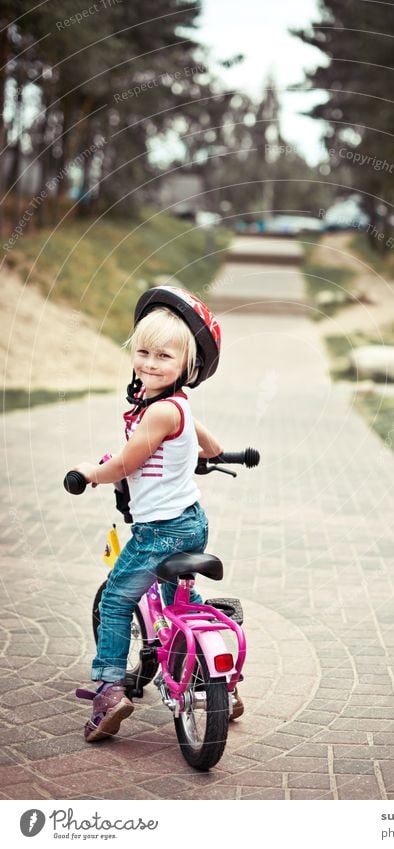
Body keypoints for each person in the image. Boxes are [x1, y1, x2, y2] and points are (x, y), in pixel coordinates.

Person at [74, 286, 241, 742]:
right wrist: (211, 454)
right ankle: (216, 678)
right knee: (176, 602)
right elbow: (209, 444)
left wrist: (91, 472)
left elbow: (126, 464)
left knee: (115, 600)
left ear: (185, 365)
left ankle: (109, 689)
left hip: (159, 533)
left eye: (163, 356)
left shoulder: (157, 414)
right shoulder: (179, 404)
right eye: (142, 352)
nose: (149, 363)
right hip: (193, 523)